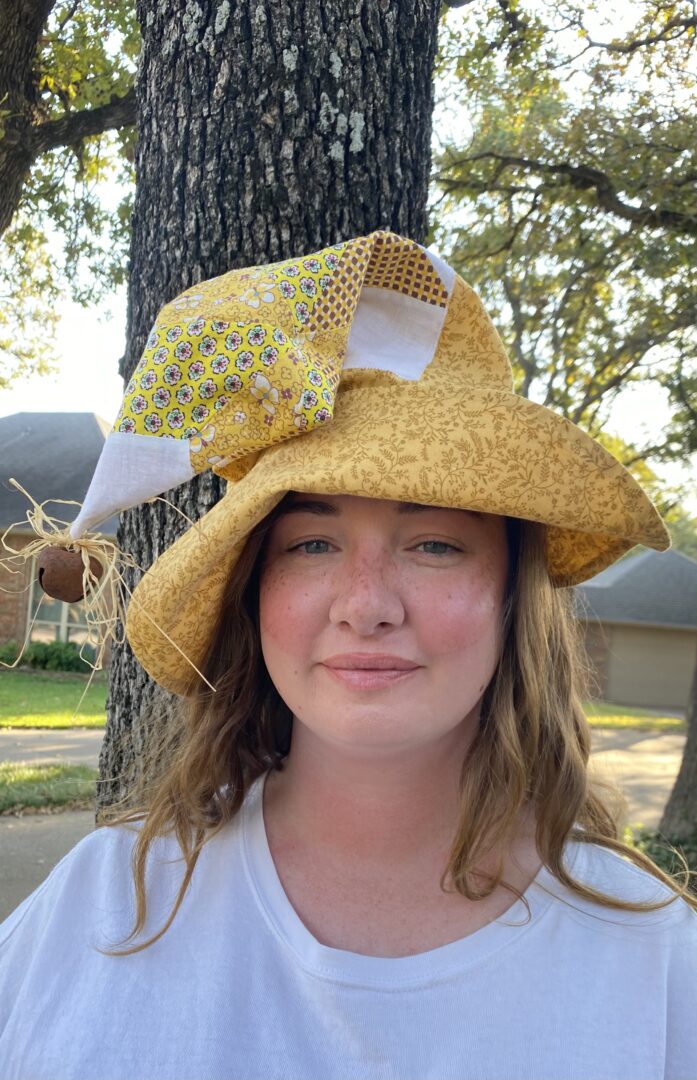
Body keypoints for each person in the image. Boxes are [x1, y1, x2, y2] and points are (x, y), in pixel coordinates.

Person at [0, 230, 695, 1080]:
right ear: (252, 592)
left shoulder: (651, 956)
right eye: (311, 544)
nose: (366, 605)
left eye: (435, 544)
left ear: (512, 597)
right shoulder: (102, 906)